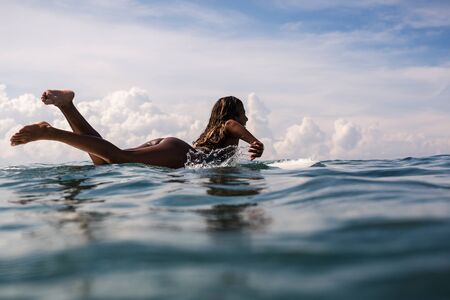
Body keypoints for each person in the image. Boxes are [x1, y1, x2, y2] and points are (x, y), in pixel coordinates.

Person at [10, 90, 264, 168]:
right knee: (118, 158)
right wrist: (255, 141)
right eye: (244, 114)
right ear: (234, 115)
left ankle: (67, 107)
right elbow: (232, 125)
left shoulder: (214, 133)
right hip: (180, 153)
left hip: (171, 147)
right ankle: (50, 132)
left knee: (108, 161)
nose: (246, 119)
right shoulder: (229, 126)